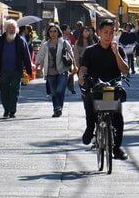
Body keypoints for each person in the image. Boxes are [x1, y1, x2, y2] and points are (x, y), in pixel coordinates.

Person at [78, 19, 130, 160]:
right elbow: (83, 69)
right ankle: (90, 129)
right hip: (95, 87)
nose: (108, 35)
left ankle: (117, 148)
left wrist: (116, 53)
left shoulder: (118, 49)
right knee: (89, 103)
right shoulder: (90, 51)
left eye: (111, 32)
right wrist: (81, 77)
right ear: (99, 33)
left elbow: (125, 70)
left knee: (117, 116)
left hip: (111, 87)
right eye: (105, 32)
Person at [0, 19, 34, 118]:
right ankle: (6, 110)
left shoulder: (20, 40)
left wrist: (29, 70)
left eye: (13, 28)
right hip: (3, 70)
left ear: (16, 29)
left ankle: (12, 110)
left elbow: (26, 56)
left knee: (15, 90)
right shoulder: (0, 41)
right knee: (4, 91)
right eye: (9, 28)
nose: (12, 30)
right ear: (5, 29)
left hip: (16, 70)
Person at [35, 23, 75, 117]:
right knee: (53, 93)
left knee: (59, 90)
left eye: (55, 31)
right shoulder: (45, 44)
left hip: (63, 70)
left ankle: (58, 108)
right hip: (50, 72)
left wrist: (74, 66)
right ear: (48, 33)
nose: (53, 33)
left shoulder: (64, 42)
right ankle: (57, 109)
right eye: (51, 31)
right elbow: (40, 56)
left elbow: (71, 54)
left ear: (58, 32)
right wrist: (37, 66)